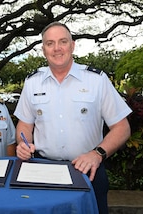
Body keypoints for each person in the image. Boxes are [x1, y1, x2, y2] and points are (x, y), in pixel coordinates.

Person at [14, 22, 132, 214]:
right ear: (43, 49)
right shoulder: (32, 82)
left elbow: (122, 127)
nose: (57, 48)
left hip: (88, 170)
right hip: (43, 170)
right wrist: (22, 143)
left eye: (63, 41)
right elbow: (24, 124)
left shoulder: (96, 80)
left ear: (73, 45)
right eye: (50, 43)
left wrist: (97, 154)